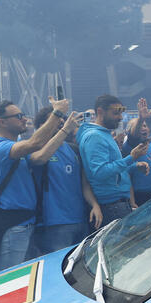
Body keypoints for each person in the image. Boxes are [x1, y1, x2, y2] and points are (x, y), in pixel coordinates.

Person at [0, 97, 71, 271]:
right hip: (13, 226)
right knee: (8, 281)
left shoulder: (14, 146)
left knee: (24, 279)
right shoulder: (0, 148)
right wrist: (57, 113)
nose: (24, 119)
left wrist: (64, 130)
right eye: (18, 116)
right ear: (2, 122)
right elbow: (35, 143)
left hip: (25, 223)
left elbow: (40, 157)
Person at [29, 107, 100, 255]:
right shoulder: (37, 149)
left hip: (80, 219)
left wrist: (94, 205)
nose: (61, 122)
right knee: (58, 268)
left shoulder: (74, 149)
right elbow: (39, 159)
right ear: (43, 125)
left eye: (62, 119)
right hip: (54, 223)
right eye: (56, 119)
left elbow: (84, 183)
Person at [76, 94, 140, 224]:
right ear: (100, 112)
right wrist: (131, 158)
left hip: (116, 204)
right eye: (116, 113)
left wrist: (134, 165)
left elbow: (112, 168)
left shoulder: (103, 135)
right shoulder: (95, 137)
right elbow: (100, 172)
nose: (121, 117)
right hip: (112, 206)